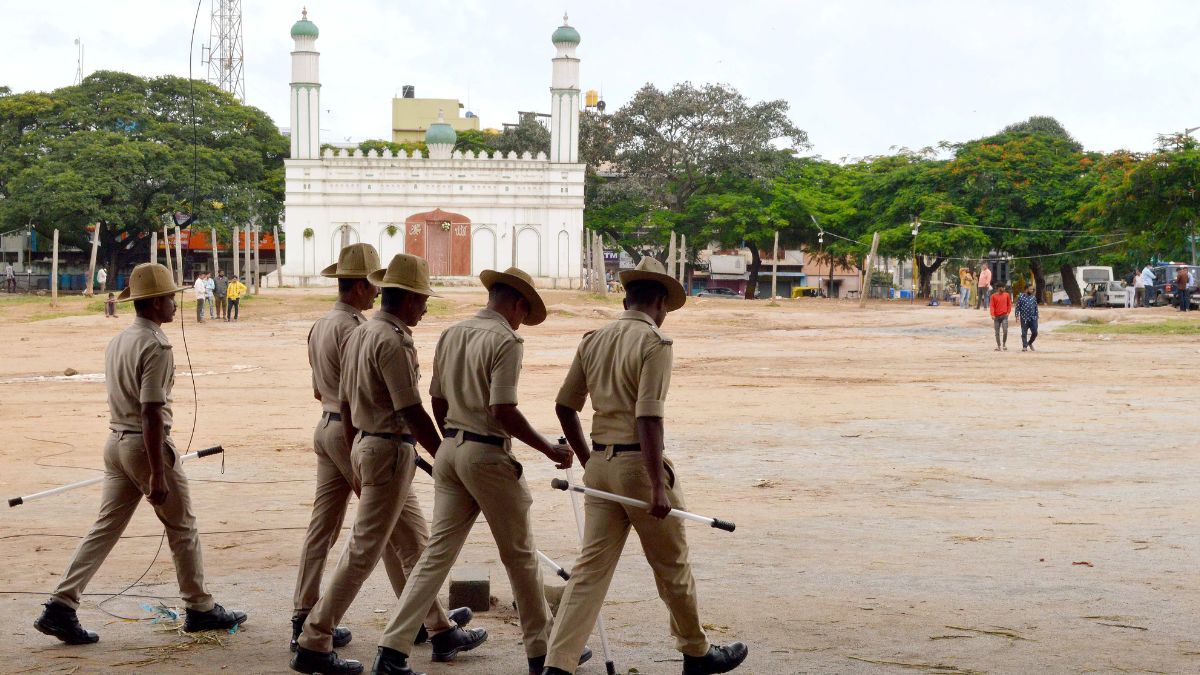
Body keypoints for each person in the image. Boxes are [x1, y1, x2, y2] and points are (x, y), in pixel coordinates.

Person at [539, 257, 749, 675]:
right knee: (671, 566)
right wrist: (656, 485)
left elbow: (565, 407)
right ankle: (696, 652)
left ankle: (558, 665)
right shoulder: (655, 344)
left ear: (626, 300)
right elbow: (648, 417)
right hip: (640, 466)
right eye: (665, 307)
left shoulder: (593, 340)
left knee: (589, 573)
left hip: (601, 464)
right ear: (657, 303)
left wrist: (588, 458)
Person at [371, 268, 584, 675]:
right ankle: (542, 653)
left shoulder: (453, 333)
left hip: (451, 448)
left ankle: (391, 649)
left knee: (435, 556)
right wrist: (548, 448)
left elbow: (435, 401)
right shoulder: (506, 339)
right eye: (525, 311)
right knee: (519, 556)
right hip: (487, 454)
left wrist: (448, 446)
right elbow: (501, 409)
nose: (523, 319)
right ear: (517, 303)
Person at [33, 263, 247, 645]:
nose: (174, 305)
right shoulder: (156, 345)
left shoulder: (120, 340)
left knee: (105, 528)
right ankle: (199, 607)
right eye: (169, 298)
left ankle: (60, 605)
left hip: (115, 443)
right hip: (143, 446)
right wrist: (158, 473)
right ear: (153, 303)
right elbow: (150, 410)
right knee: (182, 527)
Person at [291, 254, 478, 675]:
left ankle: (439, 630)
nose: (426, 307)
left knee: (414, 545)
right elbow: (411, 409)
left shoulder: (361, 332)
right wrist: (446, 456)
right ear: (407, 299)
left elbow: (349, 408)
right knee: (363, 552)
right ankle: (314, 638)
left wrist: (356, 452)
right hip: (389, 449)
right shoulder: (392, 339)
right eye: (423, 299)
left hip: (366, 444)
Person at [989, 283, 1012, 351]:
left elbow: (1009, 304)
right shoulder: (993, 296)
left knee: (1005, 331)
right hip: (996, 317)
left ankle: (1004, 344)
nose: (1004, 289)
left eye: (1004, 287)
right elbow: (992, 306)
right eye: (1002, 287)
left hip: (1004, 316)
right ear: (998, 288)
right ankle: (999, 345)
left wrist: (1008, 312)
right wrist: (992, 314)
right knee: (997, 332)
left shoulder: (1007, 295)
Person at [1016, 284, 1039, 351]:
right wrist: (1017, 315)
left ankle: (1030, 343)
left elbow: (1036, 307)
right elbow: (1017, 307)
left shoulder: (1033, 298)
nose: (1032, 290)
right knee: (1024, 333)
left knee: (1035, 332)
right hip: (1024, 318)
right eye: (1030, 289)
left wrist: (1037, 316)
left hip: (1033, 318)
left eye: (1032, 289)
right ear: (1026, 289)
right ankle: (1024, 346)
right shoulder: (1020, 297)